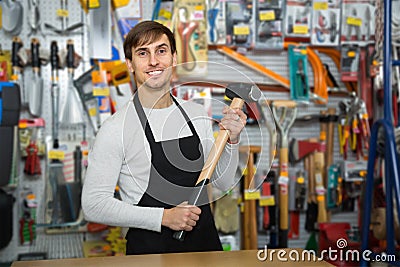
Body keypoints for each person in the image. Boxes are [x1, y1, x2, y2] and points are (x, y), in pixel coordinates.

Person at [81, 20, 247, 255]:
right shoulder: (116, 128)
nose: (153, 61)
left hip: (204, 250)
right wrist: (163, 217)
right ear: (130, 64)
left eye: (161, 50)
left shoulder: (196, 114)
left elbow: (222, 182)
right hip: (150, 254)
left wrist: (232, 141)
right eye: (142, 53)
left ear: (174, 58)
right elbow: (93, 206)